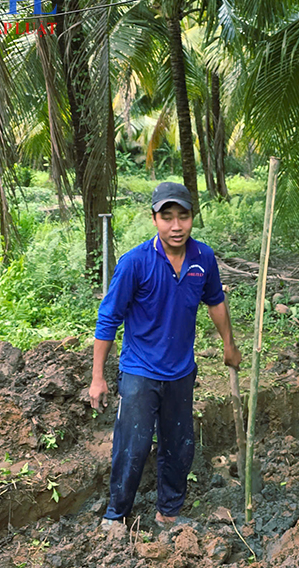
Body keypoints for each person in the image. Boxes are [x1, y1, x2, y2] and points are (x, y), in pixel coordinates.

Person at [89, 182, 242, 528]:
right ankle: (116, 516)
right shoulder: (135, 263)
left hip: (181, 372)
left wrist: (228, 344)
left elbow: (215, 301)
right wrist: (98, 377)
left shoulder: (203, 258)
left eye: (183, 217)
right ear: (154, 219)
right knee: (133, 446)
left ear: (192, 218)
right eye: (167, 217)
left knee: (179, 446)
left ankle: (168, 514)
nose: (176, 226)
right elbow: (108, 318)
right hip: (140, 371)